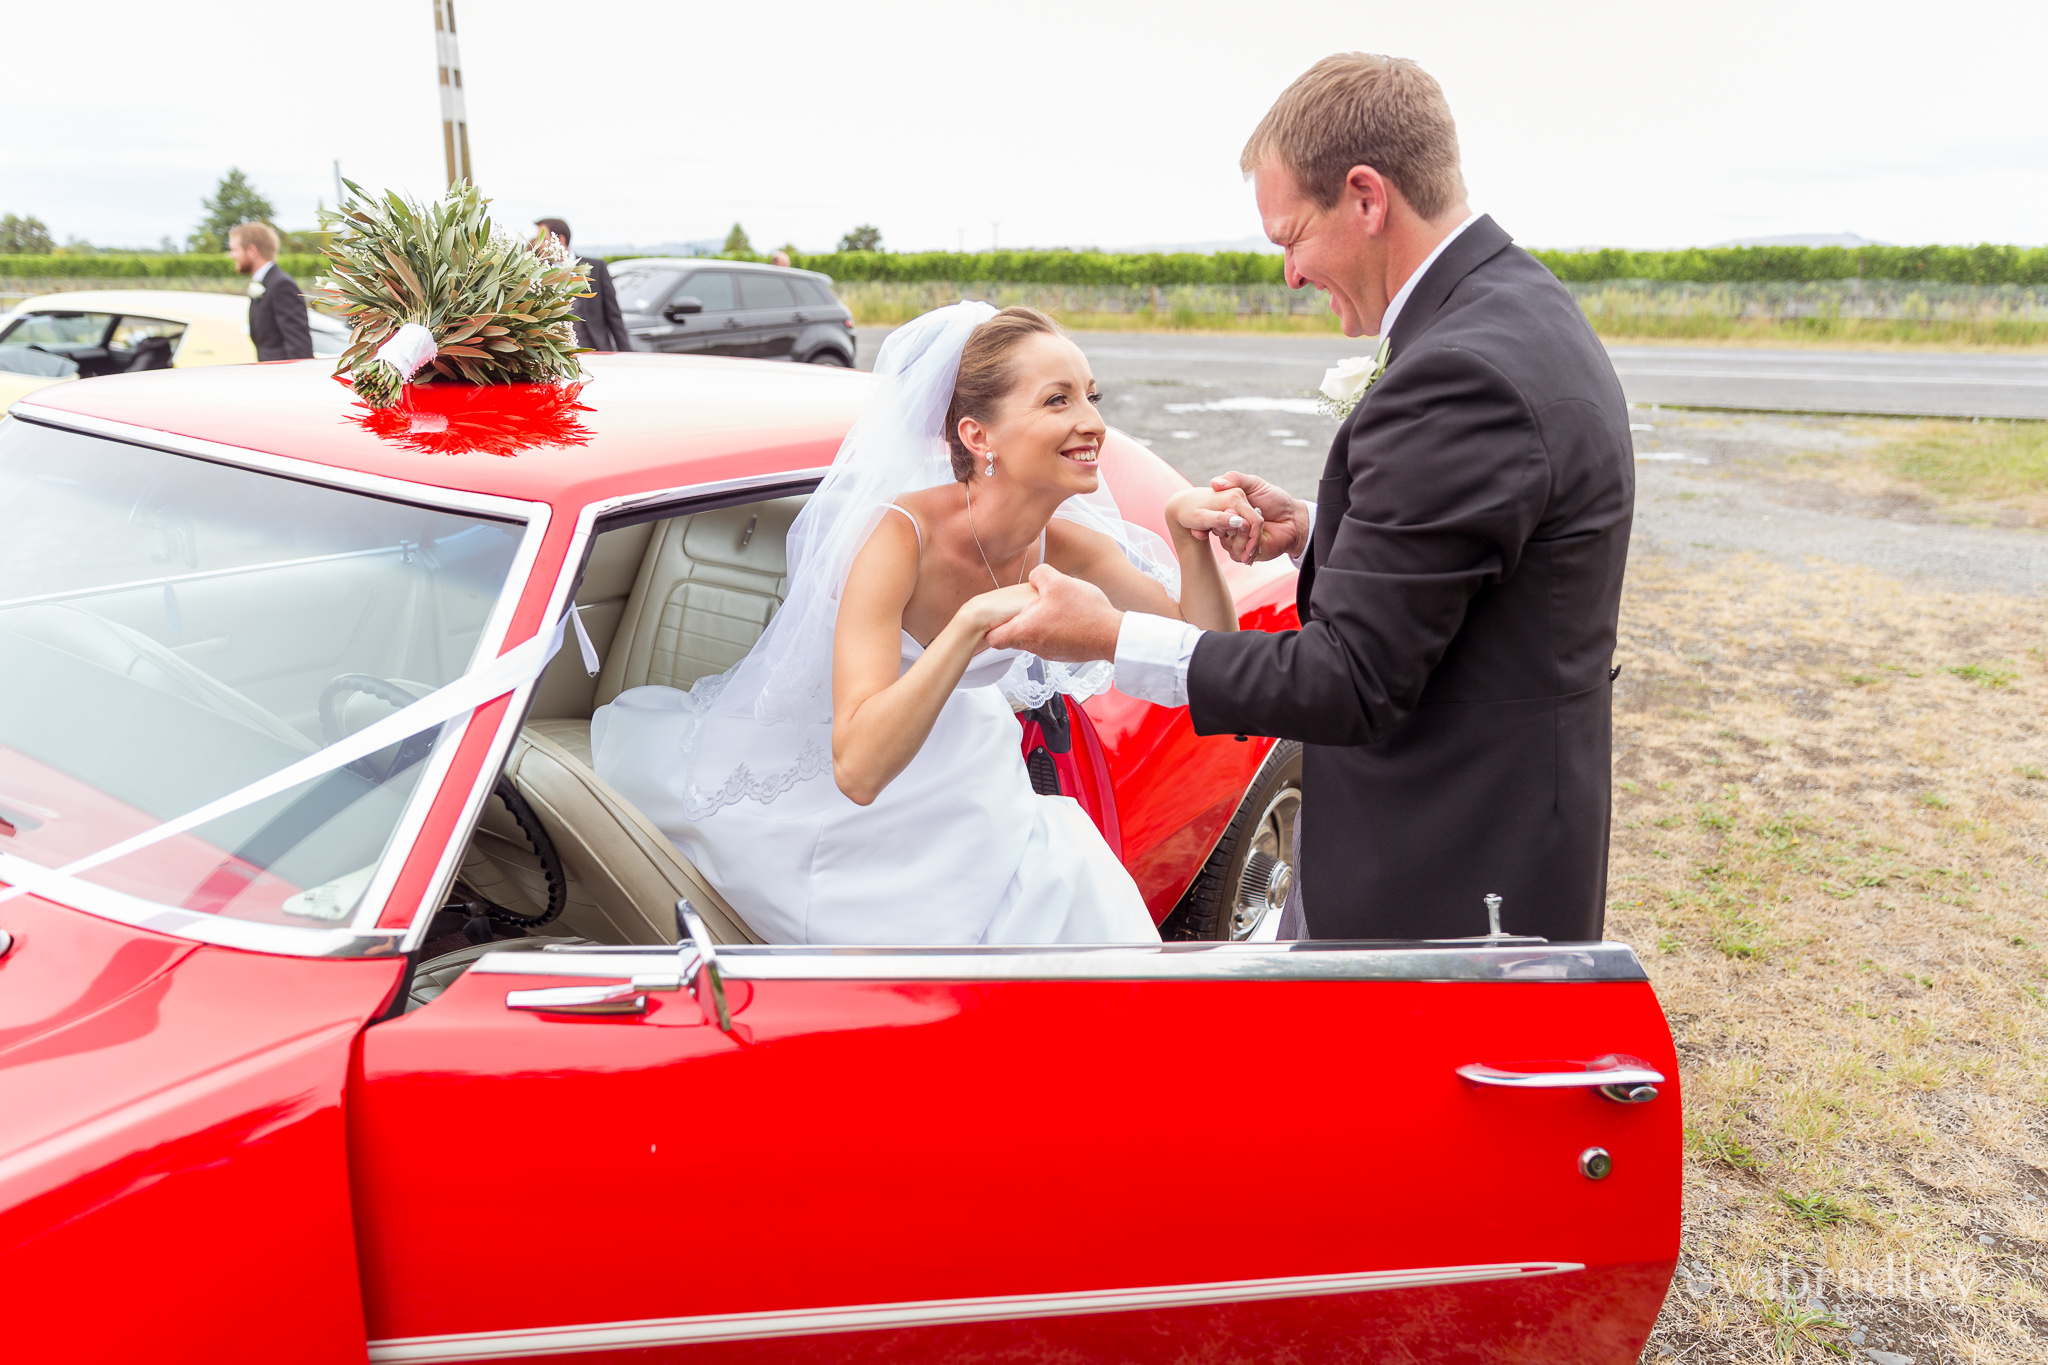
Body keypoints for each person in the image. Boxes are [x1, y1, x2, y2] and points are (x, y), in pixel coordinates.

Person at [988, 53, 1634, 944]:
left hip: (1447, 871)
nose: (1290, 274)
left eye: (1291, 237)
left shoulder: (1459, 371)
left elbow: (1352, 680)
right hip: (1498, 823)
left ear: (1367, 198)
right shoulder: (1517, 306)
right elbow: (1480, 545)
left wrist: (1106, 636)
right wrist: (1325, 531)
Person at [592, 303, 1256, 944]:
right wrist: (971, 623)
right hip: (841, 801)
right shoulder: (897, 536)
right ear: (977, 435)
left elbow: (1208, 661)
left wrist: (1187, 537)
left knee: (1078, 910)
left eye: (1091, 396)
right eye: (1058, 401)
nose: (1092, 423)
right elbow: (856, 769)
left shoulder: (1069, 545)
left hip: (975, 783)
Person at [534, 218, 634, 352]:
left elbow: (613, 315)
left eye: (541, 239)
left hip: (596, 349)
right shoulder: (539, 273)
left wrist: (626, 354)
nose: (537, 244)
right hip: (556, 354)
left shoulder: (596, 268)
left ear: (560, 240)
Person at [228, 222, 313, 362]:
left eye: (235, 250)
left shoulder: (281, 285)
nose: (232, 255)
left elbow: (299, 346)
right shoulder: (265, 283)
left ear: (252, 251)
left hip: (282, 377)